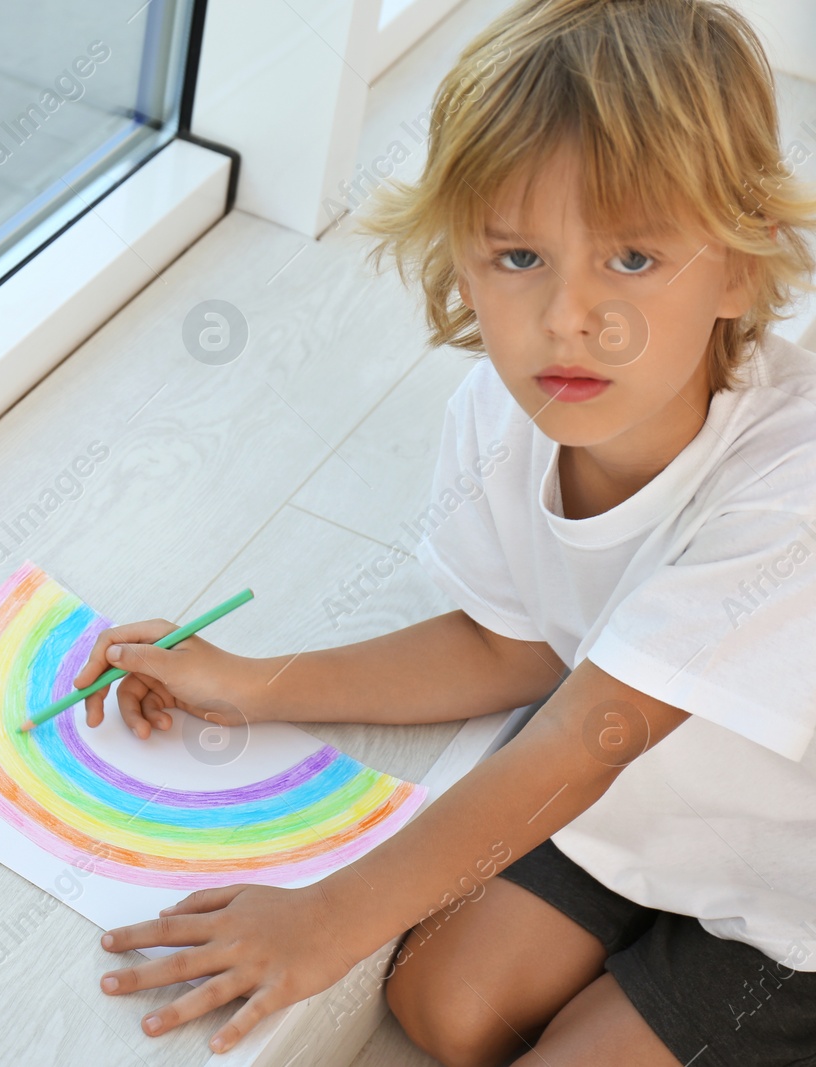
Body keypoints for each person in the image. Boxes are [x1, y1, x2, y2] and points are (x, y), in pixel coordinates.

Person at [69, 0, 816, 1063]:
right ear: (459, 256)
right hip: (650, 806)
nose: (568, 314)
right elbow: (511, 645)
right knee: (442, 1001)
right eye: (517, 257)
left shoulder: (792, 483)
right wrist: (251, 681)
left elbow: (583, 736)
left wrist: (326, 919)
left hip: (794, 890)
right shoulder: (502, 412)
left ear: (742, 264)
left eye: (633, 259)